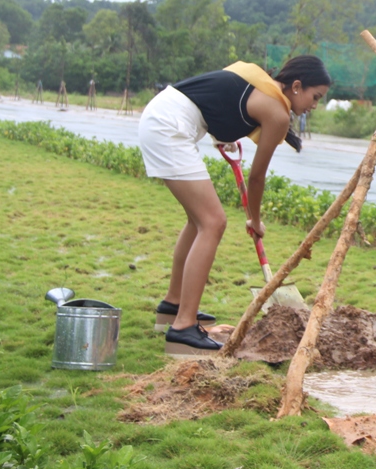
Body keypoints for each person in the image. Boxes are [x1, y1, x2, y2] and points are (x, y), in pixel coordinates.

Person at [139, 56, 331, 356]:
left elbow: (216, 97)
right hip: (169, 127)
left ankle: (172, 307)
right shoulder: (277, 112)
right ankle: (183, 329)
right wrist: (254, 219)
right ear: (296, 86)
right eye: (314, 97)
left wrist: (223, 135)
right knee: (213, 222)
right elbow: (257, 178)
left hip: (163, 114)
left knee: (197, 221)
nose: (314, 105)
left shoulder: (256, 79)